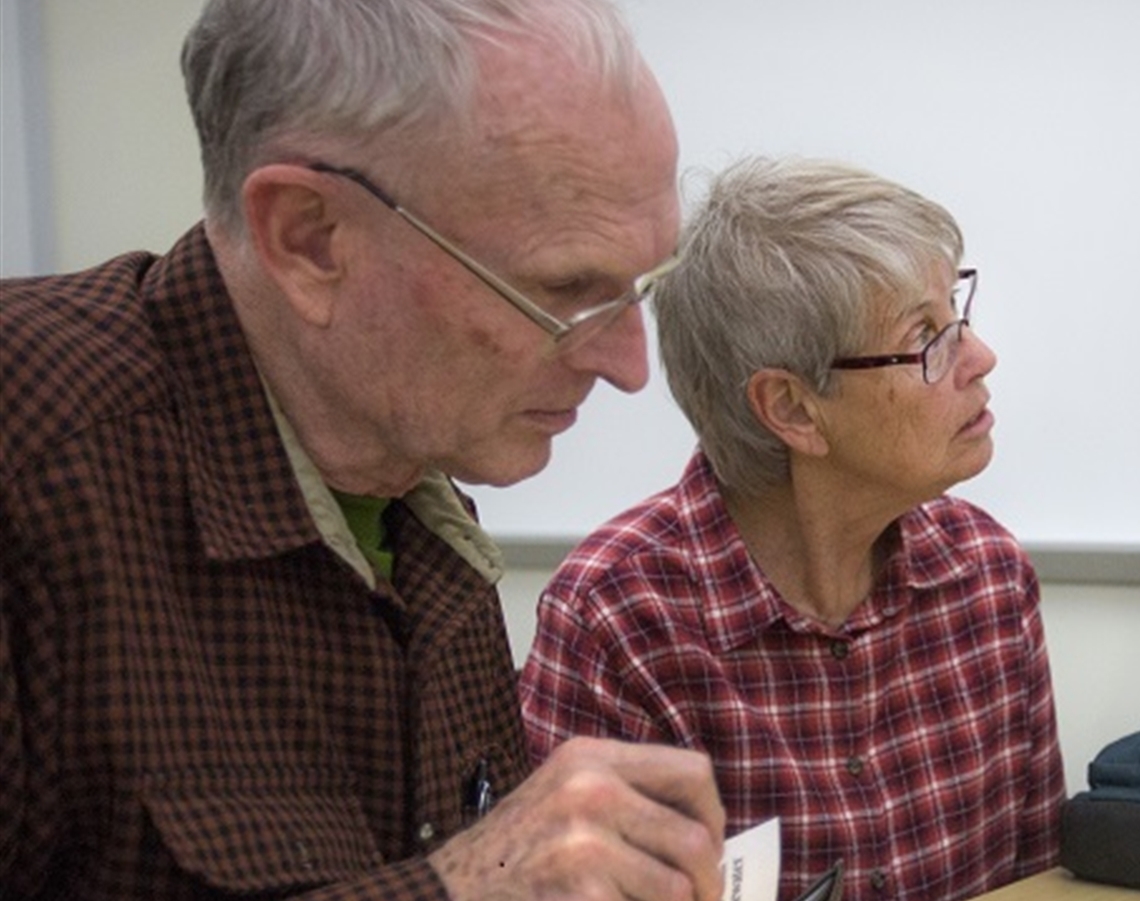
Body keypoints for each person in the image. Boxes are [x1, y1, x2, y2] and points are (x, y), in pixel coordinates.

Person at [0, 1, 730, 899]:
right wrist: (455, 888)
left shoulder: (420, 504)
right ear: (310, 238)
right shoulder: (33, 463)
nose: (630, 365)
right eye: (565, 289)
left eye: (642, 286)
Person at [518, 156, 1064, 901]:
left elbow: (1040, 882)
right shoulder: (617, 618)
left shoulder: (989, 577)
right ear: (794, 409)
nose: (980, 356)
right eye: (927, 336)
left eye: (958, 316)